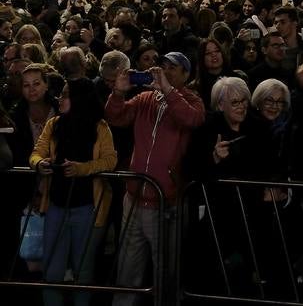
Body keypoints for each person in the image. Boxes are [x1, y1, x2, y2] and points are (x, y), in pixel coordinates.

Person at [105, 52, 205, 306]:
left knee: (165, 272)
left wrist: (169, 92)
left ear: (186, 75)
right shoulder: (145, 98)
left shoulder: (191, 100)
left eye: (174, 68)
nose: (166, 71)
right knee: (127, 269)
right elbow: (116, 117)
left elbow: (193, 119)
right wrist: (118, 93)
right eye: (163, 66)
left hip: (165, 201)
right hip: (134, 197)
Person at [29, 77, 117, 306]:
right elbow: (36, 152)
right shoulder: (54, 124)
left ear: (79, 99)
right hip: (57, 204)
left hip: (87, 207)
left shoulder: (100, 127)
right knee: (52, 270)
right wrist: (39, 163)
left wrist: (83, 169)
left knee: (83, 271)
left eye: (66, 94)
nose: (60, 98)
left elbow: (110, 160)